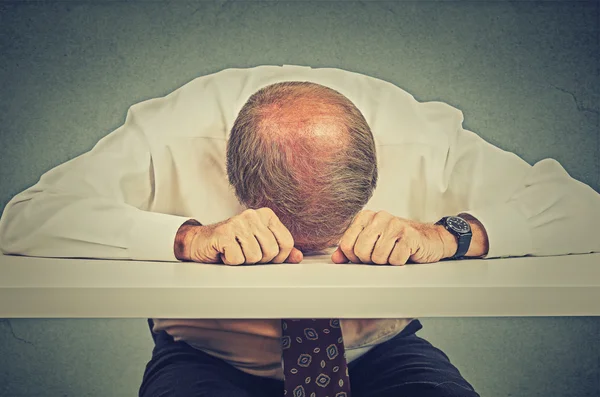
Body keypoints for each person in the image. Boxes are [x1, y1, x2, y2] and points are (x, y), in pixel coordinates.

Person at [0, 65, 599, 397]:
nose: (310, 265)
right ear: (236, 179)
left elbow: (583, 210)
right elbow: (28, 215)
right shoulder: (169, 133)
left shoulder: (423, 136)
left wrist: (451, 234)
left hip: (378, 353)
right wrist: (187, 237)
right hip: (210, 360)